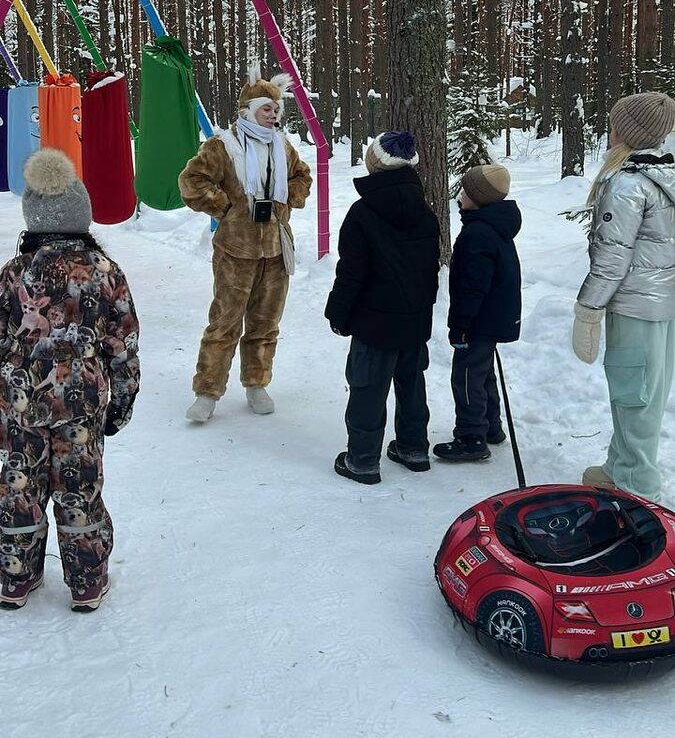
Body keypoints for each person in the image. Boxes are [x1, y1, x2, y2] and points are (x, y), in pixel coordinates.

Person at [0, 149, 140, 611]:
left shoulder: (14, 274)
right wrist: (121, 402)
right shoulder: (104, 272)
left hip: (21, 404)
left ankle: (16, 579)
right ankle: (86, 583)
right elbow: (122, 344)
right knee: (80, 487)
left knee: (20, 486)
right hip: (81, 404)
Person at [179, 64, 312, 422]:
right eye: (266, 108)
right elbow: (191, 181)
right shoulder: (222, 146)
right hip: (235, 251)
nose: (273, 115)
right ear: (248, 110)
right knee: (225, 322)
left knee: (265, 323)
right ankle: (207, 392)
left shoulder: (283, 146)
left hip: (276, 250)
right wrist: (227, 208)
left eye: (276, 109)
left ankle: (256, 383)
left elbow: (302, 176)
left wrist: (288, 200)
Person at [573, 91, 675, 501]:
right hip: (663, 306)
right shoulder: (666, 176)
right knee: (642, 393)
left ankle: (637, 492)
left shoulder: (628, 184)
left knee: (634, 397)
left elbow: (612, 257)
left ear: (626, 132)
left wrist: (588, 308)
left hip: (635, 306)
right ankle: (619, 466)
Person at [325, 131, 440, 484]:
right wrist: (425, 308)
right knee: (411, 384)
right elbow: (430, 270)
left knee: (368, 388)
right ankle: (413, 448)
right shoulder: (426, 213)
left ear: (374, 165)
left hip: (373, 324)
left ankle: (362, 459)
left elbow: (351, 272)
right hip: (413, 320)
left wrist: (338, 313)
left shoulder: (362, 214)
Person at [433, 162, 521, 464]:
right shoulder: (493, 225)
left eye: (466, 192)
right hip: (492, 316)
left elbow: (473, 285)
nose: (460, 196)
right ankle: (491, 426)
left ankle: (471, 436)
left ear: (479, 198)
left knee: (467, 374)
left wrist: (461, 324)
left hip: (480, 319)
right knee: (483, 373)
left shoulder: (478, 233)